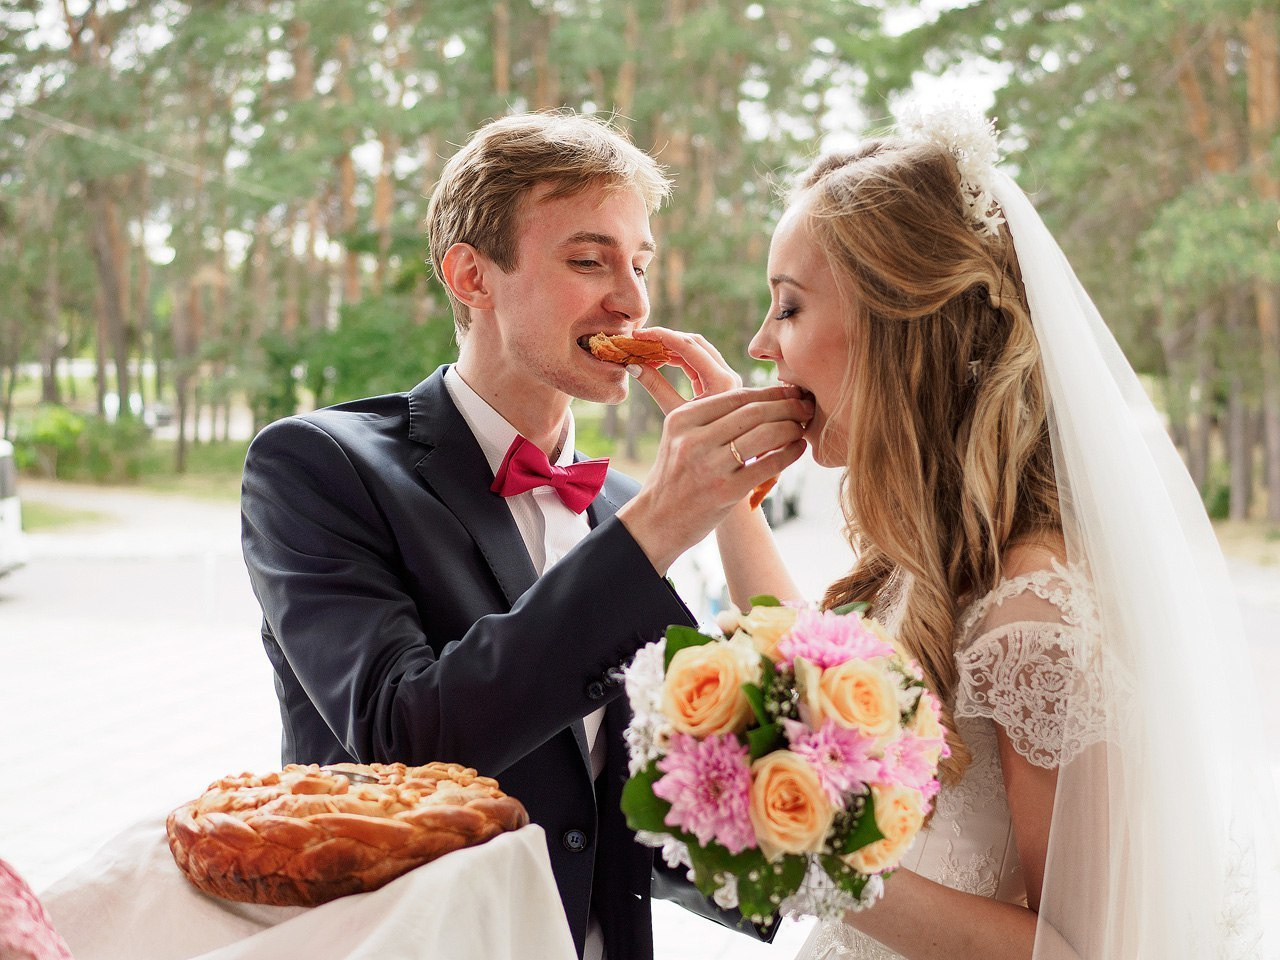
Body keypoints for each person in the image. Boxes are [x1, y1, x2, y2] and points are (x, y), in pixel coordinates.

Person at [628, 106, 1280, 959]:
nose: (759, 344)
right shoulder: (936, 565)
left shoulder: (1032, 618)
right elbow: (816, 681)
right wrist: (727, 496)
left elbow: (1085, 951)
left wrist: (816, 859)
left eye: (788, 308)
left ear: (902, 328)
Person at [239, 111, 811, 960]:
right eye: (589, 260)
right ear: (472, 275)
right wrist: (662, 520)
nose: (632, 298)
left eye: (640, 264)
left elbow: (635, 802)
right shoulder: (317, 466)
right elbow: (405, 735)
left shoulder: (621, 507)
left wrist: (808, 852)